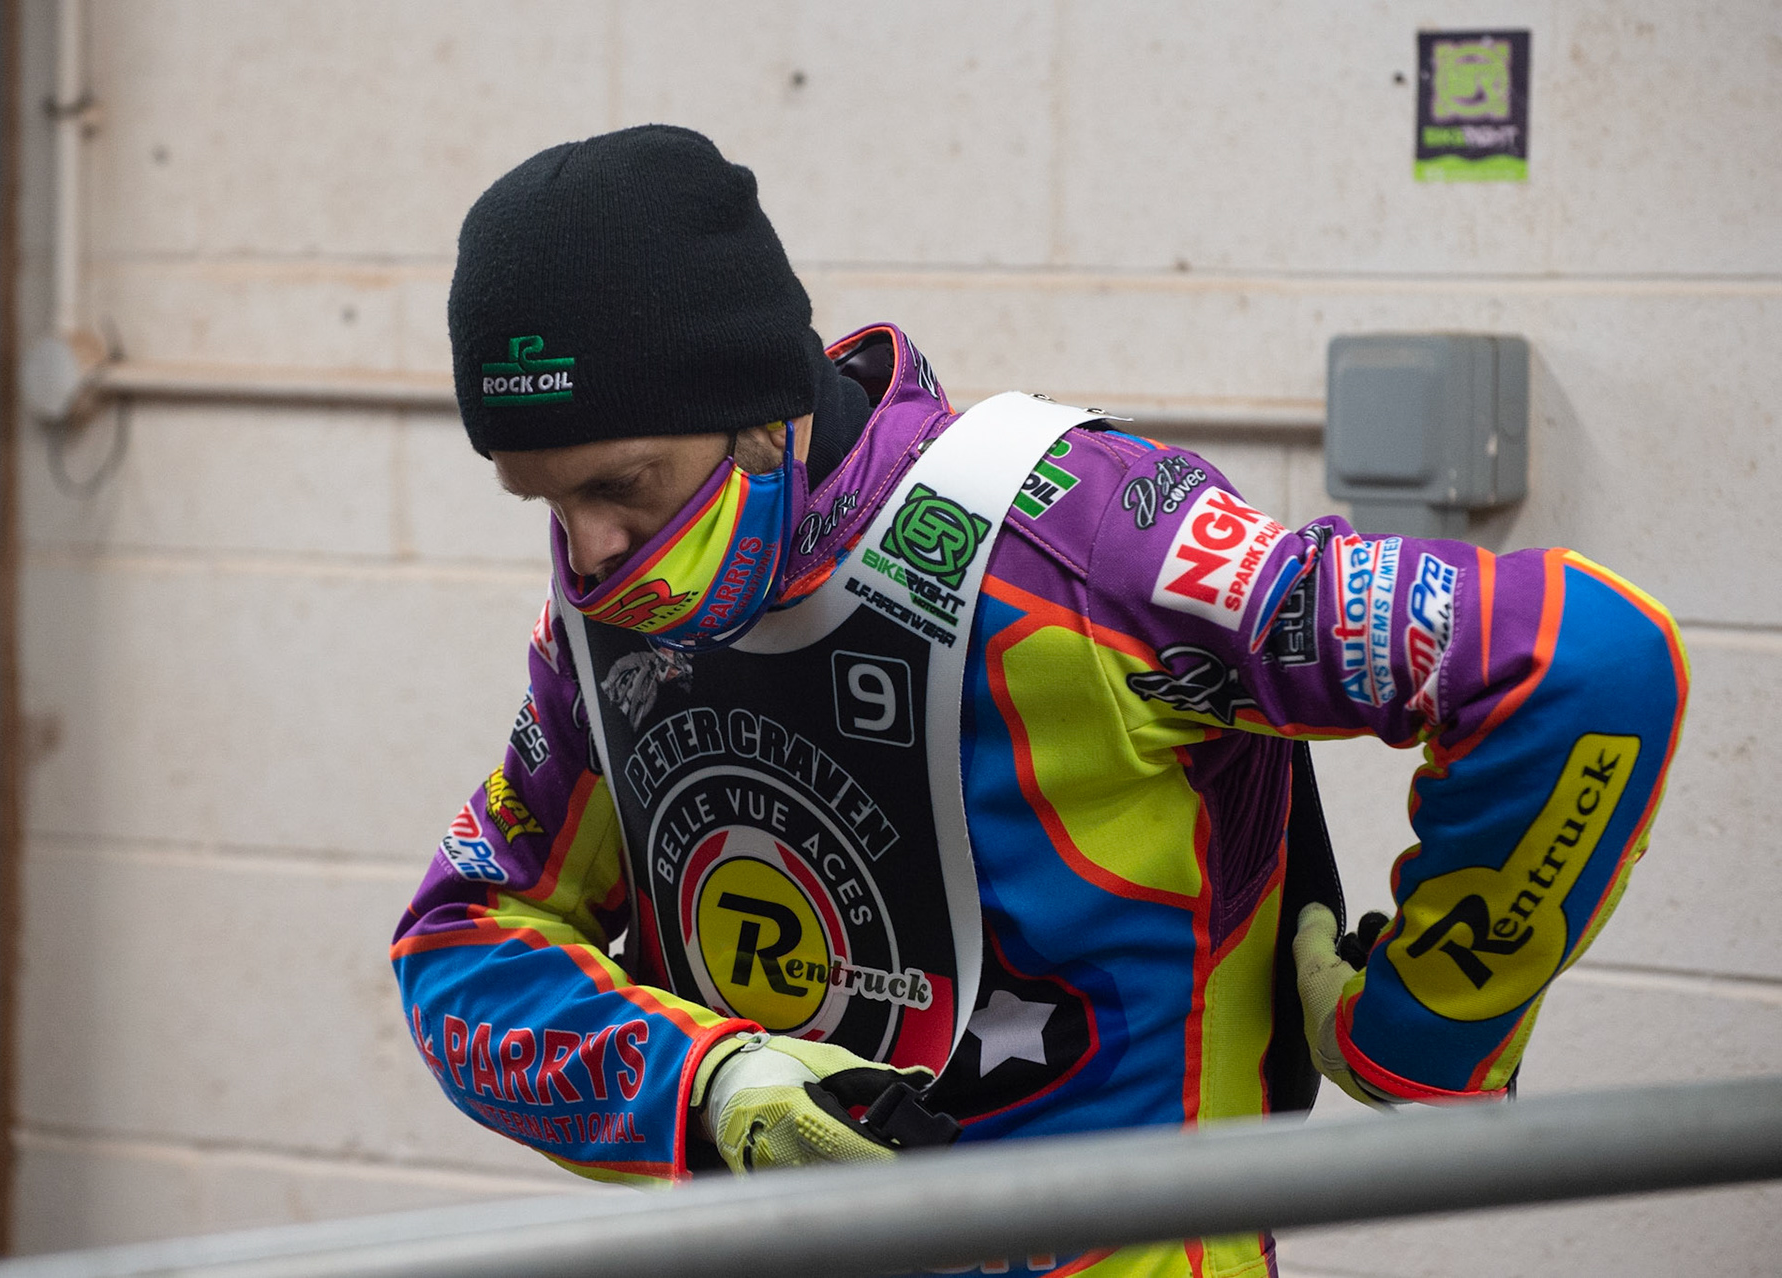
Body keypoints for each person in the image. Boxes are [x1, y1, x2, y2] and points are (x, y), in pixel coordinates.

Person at [391, 124, 1686, 1277]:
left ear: (759, 404)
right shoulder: (610, 618)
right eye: (547, 501)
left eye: (626, 481)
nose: (594, 546)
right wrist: (713, 1087)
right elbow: (461, 946)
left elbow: (1583, 665)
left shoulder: (1072, 537)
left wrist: (1428, 1020)